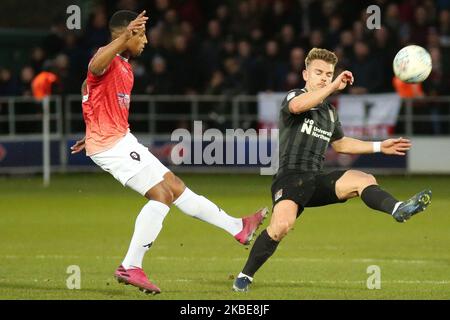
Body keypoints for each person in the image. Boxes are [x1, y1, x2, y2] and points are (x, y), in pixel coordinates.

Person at [70, 10, 267, 295]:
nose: (146, 41)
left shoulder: (124, 66)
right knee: (161, 195)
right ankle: (130, 265)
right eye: (141, 34)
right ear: (127, 33)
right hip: (112, 145)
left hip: (120, 139)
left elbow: (88, 89)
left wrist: (91, 130)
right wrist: (97, 134)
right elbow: (94, 68)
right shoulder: (107, 57)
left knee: (174, 186)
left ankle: (237, 227)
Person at [232, 48, 432, 292]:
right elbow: (297, 107)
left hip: (316, 179)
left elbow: (341, 144)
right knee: (281, 226)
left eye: (329, 74)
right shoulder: (294, 96)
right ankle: (245, 276)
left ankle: (398, 209)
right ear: (305, 74)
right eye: (319, 72)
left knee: (363, 179)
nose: (325, 77)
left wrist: (380, 145)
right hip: (290, 178)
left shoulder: (329, 112)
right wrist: (333, 87)